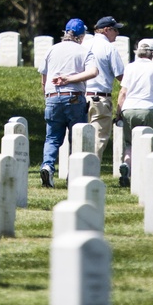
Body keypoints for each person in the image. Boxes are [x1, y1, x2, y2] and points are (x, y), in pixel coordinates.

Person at [37, 19, 98, 188]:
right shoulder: (84, 51)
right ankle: (74, 174)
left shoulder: (51, 49)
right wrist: (70, 79)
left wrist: (47, 94)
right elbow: (93, 71)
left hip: (52, 96)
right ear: (81, 36)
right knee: (76, 137)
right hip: (74, 97)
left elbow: (43, 77)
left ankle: (47, 166)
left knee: (52, 138)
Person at [115, 38, 153, 188]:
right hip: (147, 109)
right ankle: (142, 174)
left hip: (129, 109)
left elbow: (123, 92)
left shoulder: (130, 67)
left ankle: (127, 166)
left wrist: (118, 113)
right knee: (146, 143)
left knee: (129, 143)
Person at [84, 16, 126, 160]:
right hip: (100, 98)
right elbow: (121, 76)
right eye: (115, 30)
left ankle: (76, 170)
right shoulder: (109, 48)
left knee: (79, 137)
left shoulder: (83, 44)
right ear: (107, 30)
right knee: (99, 138)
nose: (118, 34)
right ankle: (90, 170)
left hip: (80, 96)